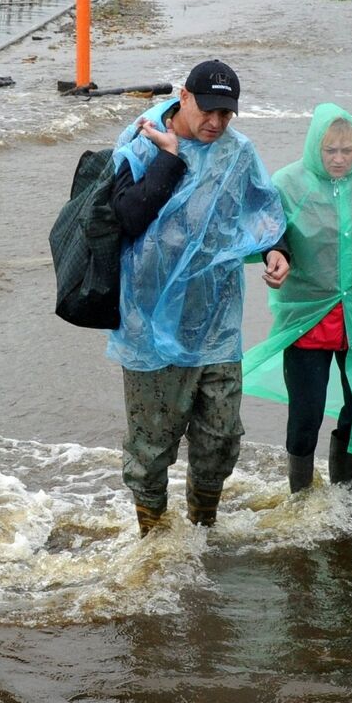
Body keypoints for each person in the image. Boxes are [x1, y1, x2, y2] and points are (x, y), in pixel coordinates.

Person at [108, 59, 288, 535]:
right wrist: (170, 159)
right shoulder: (141, 143)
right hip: (150, 328)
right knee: (151, 446)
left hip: (217, 324)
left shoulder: (237, 153)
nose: (216, 122)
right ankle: (154, 544)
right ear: (184, 96)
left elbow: (262, 209)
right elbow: (125, 217)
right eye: (208, 110)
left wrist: (277, 249)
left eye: (226, 115)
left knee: (222, 437)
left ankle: (202, 535)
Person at [244, 103, 352, 493]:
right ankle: (301, 498)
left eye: (347, 151)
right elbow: (265, 235)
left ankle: (343, 492)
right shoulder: (287, 184)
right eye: (329, 151)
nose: (338, 160)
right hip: (308, 317)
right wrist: (275, 260)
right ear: (314, 148)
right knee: (306, 414)